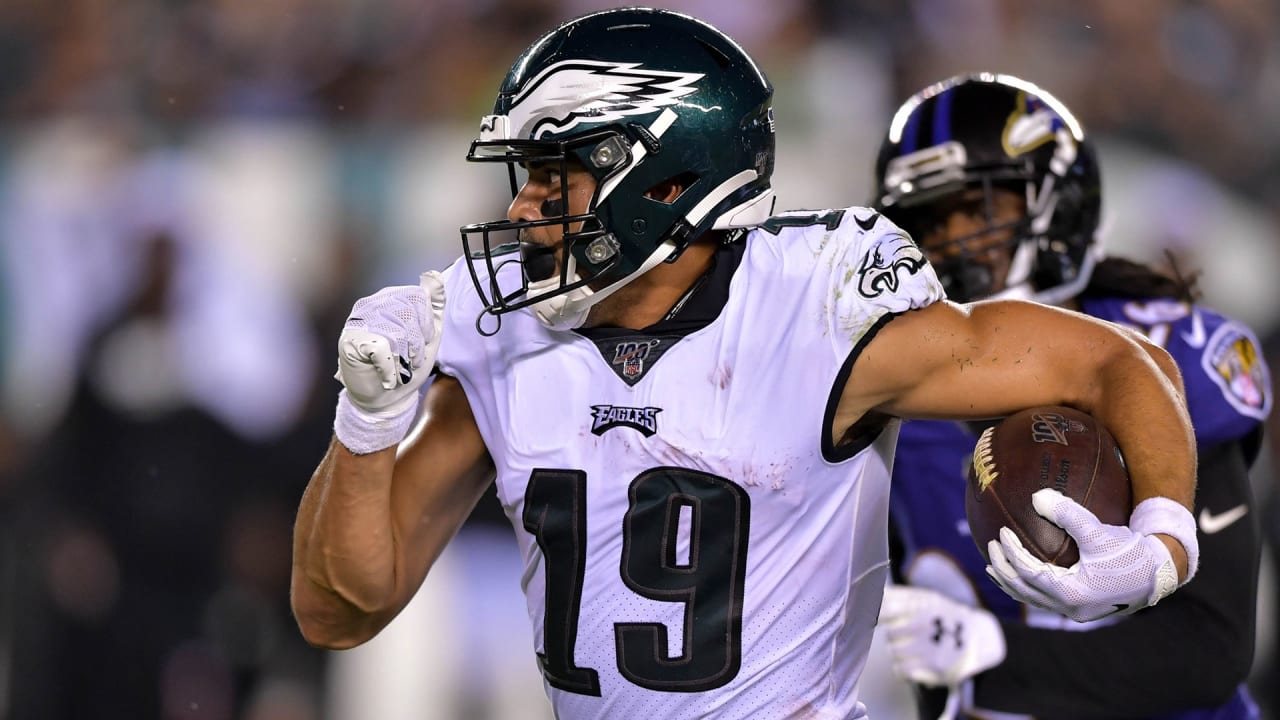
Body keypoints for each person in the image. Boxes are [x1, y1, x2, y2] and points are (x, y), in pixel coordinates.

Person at [291, 10, 1203, 719]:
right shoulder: (508, 333)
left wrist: (1163, 543)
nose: (525, 211)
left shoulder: (817, 313)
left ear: (667, 181)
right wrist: (366, 421)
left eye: (553, 176)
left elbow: (1115, 364)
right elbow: (340, 609)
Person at [873, 73, 1272, 719]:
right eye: (930, 223)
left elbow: (1208, 649)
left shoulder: (1170, 355)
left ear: (1057, 209)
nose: (951, 243)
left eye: (978, 210)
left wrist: (988, 659)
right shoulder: (886, 396)